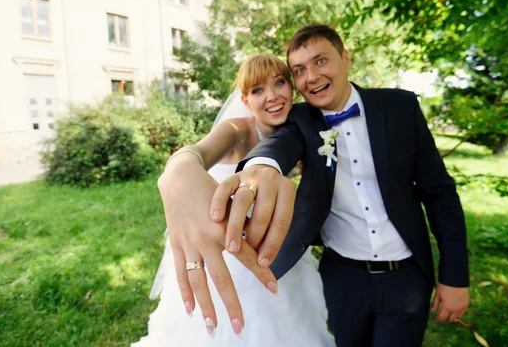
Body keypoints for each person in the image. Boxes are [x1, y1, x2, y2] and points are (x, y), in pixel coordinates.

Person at [205, 24, 470, 346]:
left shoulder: (400, 107)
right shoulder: (298, 120)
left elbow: (440, 193)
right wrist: (262, 166)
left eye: (320, 61)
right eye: (299, 70)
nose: (311, 77)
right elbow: (277, 146)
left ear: (345, 57)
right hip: (342, 277)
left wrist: (455, 277)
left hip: (407, 275)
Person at [131, 54, 335, 346]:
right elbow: (197, 152)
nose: (272, 96)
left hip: (275, 243)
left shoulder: (298, 128)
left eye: (279, 83)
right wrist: (180, 167)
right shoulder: (236, 130)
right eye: (258, 90)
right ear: (245, 99)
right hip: (228, 242)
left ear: (291, 88)